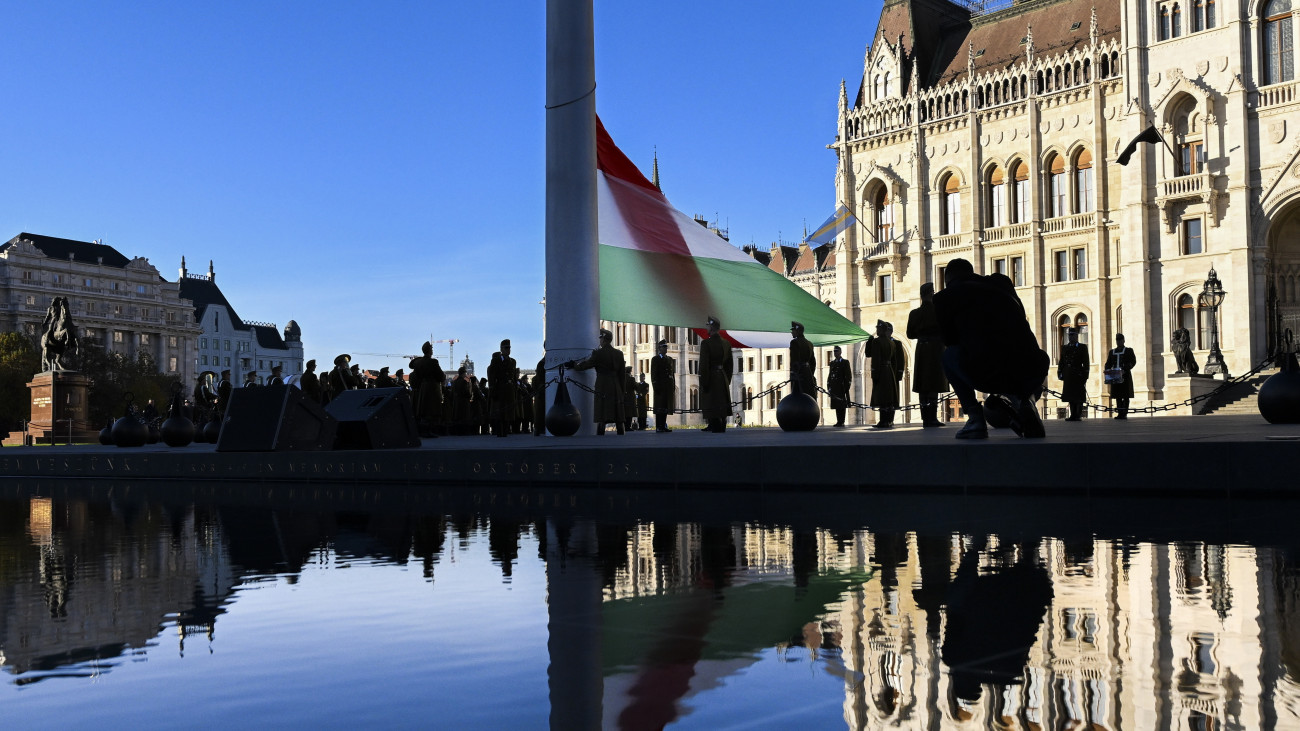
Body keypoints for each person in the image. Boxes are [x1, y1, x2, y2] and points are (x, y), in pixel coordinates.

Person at [933, 257, 1048, 439]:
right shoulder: (1002, 282)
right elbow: (1021, 315)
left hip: (989, 372)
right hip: (1033, 367)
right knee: (1019, 359)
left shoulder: (943, 298)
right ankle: (1026, 400)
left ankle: (975, 420)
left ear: (948, 280)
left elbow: (950, 340)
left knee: (949, 356)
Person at [567, 329, 626, 435]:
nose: (600, 340)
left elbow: (586, 365)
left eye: (601, 338)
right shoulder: (619, 353)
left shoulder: (598, 353)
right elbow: (622, 375)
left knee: (602, 414)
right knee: (618, 414)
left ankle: (600, 435)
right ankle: (621, 433)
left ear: (603, 339)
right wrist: (622, 390)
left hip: (603, 384)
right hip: (616, 385)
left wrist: (574, 365)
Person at [907, 282, 948, 427]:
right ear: (931, 293)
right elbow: (946, 330)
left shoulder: (914, 313)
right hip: (936, 349)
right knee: (934, 383)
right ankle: (932, 418)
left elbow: (910, 334)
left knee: (923, 384)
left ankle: (925, 418)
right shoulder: (938, 311)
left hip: (921, 349)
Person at [863, 320, 906, 428]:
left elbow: (875, 359)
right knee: (889, 398)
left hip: (881, 371)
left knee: (882, 397)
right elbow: (895, 361)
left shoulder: (878, 342)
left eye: (878, 328)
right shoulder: (891, 343)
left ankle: (884, 421)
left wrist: (874, 374)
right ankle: (887, 420)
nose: (876, 330)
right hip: (890, 371)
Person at [699, 316, 733, 433]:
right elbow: (730, 366)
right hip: (722, 377)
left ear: (712, 327)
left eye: (707, 325)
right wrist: (726, 379)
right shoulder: (726, 343)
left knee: (712, 403)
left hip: (711, 377)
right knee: (722, 403)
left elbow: (704, 365)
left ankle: (714, 426)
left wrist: (704, 382)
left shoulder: (706, 343)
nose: (706, 327)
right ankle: (721, 424)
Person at [409, 342, 446, 438]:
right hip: (432, 388)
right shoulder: (433, 362)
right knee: (431, 409)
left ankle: (423, 431)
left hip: (423, 387)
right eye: (431, 349)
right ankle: (429, 431)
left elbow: (416, 377)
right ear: (429, 350)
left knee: (424, 410)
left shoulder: (418, 363)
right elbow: (440, 375)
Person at [487, 339, 518, 438]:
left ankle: (506, 430)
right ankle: (499, 431)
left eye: (509, 348)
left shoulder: (512, 361)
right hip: (499, 388)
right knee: (500, 411)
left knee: (508, 411)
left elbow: (513, 378)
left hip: (509, 389)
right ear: (501, 349)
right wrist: (492, 389)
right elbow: (492, 376)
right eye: (506, 348)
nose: (508, 350)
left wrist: (514, 388)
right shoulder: (496, 360)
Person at [1058, 327, 1089, 421]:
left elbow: (1086, 362)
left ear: (1076, 336)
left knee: (1078, 395)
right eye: (1069, 335)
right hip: (1068, 374)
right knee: (1070, 395)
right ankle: (1072, 414)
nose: (1071, 337)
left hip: (1078, 374)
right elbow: (1062, 361)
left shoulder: (1082, 347)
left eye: (1073, 335)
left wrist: (1085, 375)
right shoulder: (1065, 347)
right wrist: (1060, 372)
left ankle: (1078, 414)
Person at [1104, 333, 1138, 419]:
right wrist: (1107, 370)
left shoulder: (1128, 350)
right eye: (1117, 340)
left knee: (1125, 395)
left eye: (1120, 340)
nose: (1119, 342)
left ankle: (1124, 413)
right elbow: (1108, 363)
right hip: (1115, 376)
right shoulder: (1112, 352)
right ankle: (1120, 412)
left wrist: (1125, 369)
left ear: (1123, 341)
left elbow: (1133, 361)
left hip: (1125, 376)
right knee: (1118, 395)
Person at [651, 339, 676, 433]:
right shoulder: (656, 359)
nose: (665, 349)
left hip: (668, 387)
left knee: (665, 407)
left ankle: (663, 425)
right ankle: (659, 426)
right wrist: (655, 387)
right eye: (663, 347)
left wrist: (673, 385)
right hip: (660, 387)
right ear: (659, 348)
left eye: (666, 347)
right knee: (659, 407)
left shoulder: (669, 359)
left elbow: (672, 374)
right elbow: (654, 374)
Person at [788, 321, 817, 396]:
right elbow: (813, 362)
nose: (792, 333)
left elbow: (794, 360)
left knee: (798, 398)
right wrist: (810, 373)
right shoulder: (809, 343)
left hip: (798, 375)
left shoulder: (794, 342)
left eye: (793, 330)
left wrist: (793, 374)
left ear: (797, 331)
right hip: (808, 374)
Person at [826, 345, 852, 427]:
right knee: (836, 404)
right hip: (834, 386)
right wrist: (829, 385)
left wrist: (847, 386)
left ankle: (842, 421)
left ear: (840, 352)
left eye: (837, 351)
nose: (835, 353)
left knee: (842, 404)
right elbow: (830, 375)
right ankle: (838, 420)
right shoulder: (832, 363)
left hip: (842, 386)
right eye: (834, 351)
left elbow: (848, 375)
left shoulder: (845, 362)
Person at [623, 366, 638, 431]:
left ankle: (624, 426)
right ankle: (628, 426)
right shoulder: (631, 378)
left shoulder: (622, 378)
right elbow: (635, 387)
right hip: (630, 397)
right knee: (630, 413)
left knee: (625, 412)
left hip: (623, 397)